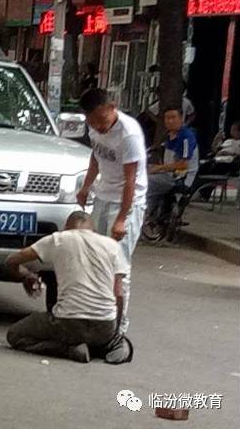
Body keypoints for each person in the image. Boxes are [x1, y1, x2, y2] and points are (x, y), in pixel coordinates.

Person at [5, 211, 132, 364]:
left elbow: (11, 261)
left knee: (15, 335)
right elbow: (119, 294)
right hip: (105, 325)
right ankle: (109, 345)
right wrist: (114, 333)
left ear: (66, 227)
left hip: (68, 323)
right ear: (93, 229)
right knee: (104, 337)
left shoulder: (58, 239)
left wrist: (26, 276)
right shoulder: (112, 245)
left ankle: (69, 350)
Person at [75, 89, 147, 335]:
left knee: (119, 266)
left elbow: (131, 180)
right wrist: (86, 186)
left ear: (112, 107)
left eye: (100, 120)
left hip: (127, 202)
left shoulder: (129, 134)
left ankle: (118, 327)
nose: (97, 126)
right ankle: (97, 317)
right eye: (91, 121)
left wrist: (121, 219)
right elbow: (96, 158)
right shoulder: (95, 128)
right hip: (103, 196)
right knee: (97, 259)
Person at [146, 107, 199, 216]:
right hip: (167, 173)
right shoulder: (169, 135)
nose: (170, 121)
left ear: (181, 118)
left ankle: (143, 216)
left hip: (180, 177)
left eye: (173, 117)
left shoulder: (186, 137)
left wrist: (158, 168)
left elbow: (183, 164)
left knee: (144, 183)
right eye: (167, 118)